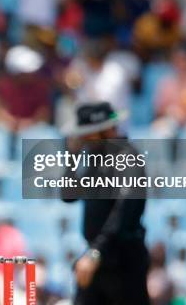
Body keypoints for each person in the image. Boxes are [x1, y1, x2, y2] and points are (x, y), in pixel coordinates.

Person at [61, 102, 150, 305]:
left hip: (124, 261)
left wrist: (96, 252)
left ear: (107, 130)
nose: (83, 139)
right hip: (98, 260)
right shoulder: (94, 159)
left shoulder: (128, 158)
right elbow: (68, 195)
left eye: (88, 134)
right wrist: (72, 159)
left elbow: (125, 212)